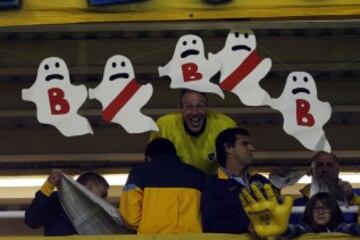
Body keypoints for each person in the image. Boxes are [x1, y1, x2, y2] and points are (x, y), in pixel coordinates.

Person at [120, 138, 206, 234]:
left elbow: (130, 216)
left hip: (152, 236)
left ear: (148, 158)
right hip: (192, 237)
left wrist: (145, 226)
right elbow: (208, 211)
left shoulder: (139, 173)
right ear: (174, 154)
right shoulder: (198, 174)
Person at [149, 89, 237, 175]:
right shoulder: (163, 126)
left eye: (199, 106)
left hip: (213, 183)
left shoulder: (226, 126)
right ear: (180, 108)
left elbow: (236, 164)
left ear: (207, 107)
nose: (194, 112)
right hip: (177, 182)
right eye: (189, 106)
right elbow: (153, 163)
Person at [200, 127, 271, 234]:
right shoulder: (212, 186)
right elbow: (210, 226)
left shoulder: (261, 181)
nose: (252, 148)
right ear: (228, 148)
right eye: (245, 144)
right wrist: (248, 223)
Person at [25, 169, 109, 236]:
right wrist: (49, 186)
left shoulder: (100, 216)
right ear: (89, 187)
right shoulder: (58, 200)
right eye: (103, 194)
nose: (104, 200)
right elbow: (32, 220)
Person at [285, 192, 360, 238]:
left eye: (326, 208)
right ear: (310, 211)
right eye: (315, 208)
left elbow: (349, 227)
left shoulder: (340, 228)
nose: (320, 212)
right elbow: (296, 229)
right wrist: (284, 230)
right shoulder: (305, 228)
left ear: (333, 211)